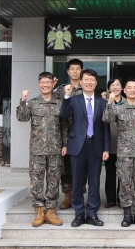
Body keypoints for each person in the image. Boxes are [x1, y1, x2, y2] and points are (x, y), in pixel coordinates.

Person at [60, 69, 110, 227]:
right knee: (77, 182)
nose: (89, 82)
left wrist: (106, 149)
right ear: (80, 82)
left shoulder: (103, 102)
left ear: (96, 83)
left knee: (94, 182)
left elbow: (105, 128)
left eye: (92, 80)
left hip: (96, 145)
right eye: (86, 79)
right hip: (78, 146)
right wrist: (66, 96)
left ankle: (93, 214)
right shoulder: (73, 100)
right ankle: (79, 214)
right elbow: (64, 114)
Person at [16, 72, 67, 227]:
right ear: (39, 84)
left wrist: (65, 145)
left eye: (48, 82)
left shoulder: (60, 103)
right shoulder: (32, 103)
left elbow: (64, 126)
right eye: (42, 82)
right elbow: (22, 117)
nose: (45, 85)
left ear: (53, 84)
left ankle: (50, 210)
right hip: (37, 149)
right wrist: (23, 100)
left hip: (56, 149)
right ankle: (39, 210)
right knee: (36, 180)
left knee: (53, 180)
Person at [103, 78, 135, 227]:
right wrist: (109, 102)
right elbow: (106, 119)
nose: (132, 90)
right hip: (124, 154)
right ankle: (127, 214)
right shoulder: (118, 108)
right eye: (129, 88)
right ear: (124, 91)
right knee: (125, 184)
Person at [53, 58, 84, 209]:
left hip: (81, 133)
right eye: (72, 69)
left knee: (80, 166)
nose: (75, 71)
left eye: (78, 69)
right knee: (65, 166)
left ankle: (78, 195)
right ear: (68, 71)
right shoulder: (61, 90)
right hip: (65, 132)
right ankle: (67, 196)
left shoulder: (86, 88)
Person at [101, 77, 124, 208]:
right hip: (109, 143)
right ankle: (110, 199)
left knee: (123, 174)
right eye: (112, 85)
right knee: (110, 173)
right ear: (109, 88)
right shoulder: (104, 103)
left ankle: (122, 198)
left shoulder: (128, 102)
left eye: (117, 85)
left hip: (125, 145)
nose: (115, 87)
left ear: (122, 88)